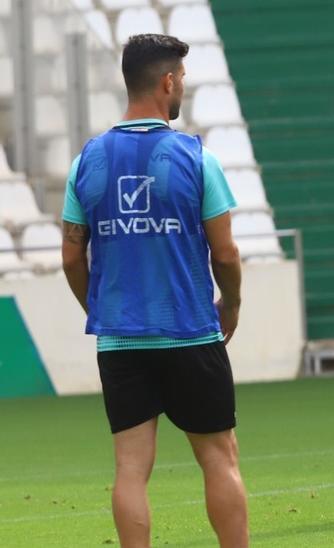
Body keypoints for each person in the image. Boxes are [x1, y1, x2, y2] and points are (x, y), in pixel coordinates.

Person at [60, 34, 248, 547]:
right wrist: (229, 305)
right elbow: (226, 254)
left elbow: (72, 255)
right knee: (218, 456)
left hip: (121, 341)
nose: (181, 86)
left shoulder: (87, 162)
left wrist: (99, 307)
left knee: (130, 467)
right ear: (167, 82)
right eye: (182, 78)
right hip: (189, 332)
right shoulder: (196, 158)